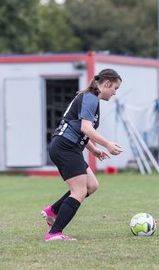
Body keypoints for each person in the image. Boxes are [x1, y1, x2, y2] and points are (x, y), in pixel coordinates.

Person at [41, 68, 122, 241]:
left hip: (68, 146)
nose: (115, 93)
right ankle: (54, 233)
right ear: (107, 84)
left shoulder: (91, 98)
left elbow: (79, 128)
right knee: (79, 190)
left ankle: (53, 211)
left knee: (91, 185)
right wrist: (107, 144)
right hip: (65, 147)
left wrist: (93, 149)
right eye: (115, 88)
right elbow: (86, 128)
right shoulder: (90, 99)